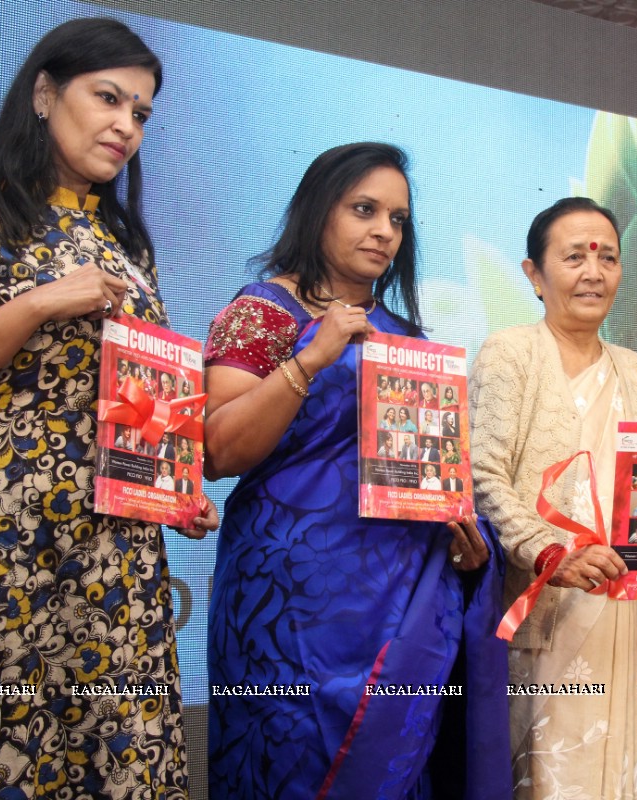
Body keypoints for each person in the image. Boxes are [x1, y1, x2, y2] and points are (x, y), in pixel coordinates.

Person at [0, 19, 219, 798]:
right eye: (108, 98)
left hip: (106, 570)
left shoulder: (129, 250)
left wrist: (170, 486)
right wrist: (31, 307)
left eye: (141, 113)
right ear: (42, 92)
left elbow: (121, 404)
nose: (126, 126)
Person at [203, 142, 509, 798]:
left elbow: (435, 472)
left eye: (397, 219)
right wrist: (312, 358)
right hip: (285, 609)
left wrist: (466, 538)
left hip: (398, 615)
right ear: (319, 212)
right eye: (364, 209)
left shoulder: (410, 341)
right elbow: (218, 449)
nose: (383, 231)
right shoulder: (263, 312)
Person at [471, 196, 637, 799]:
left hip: (625, 616)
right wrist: (549, 551)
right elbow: (482, 475)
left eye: (607, 257)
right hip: (543, 607)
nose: (594, 271)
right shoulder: (509, 353)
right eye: (575, 256)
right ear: (534, 274)